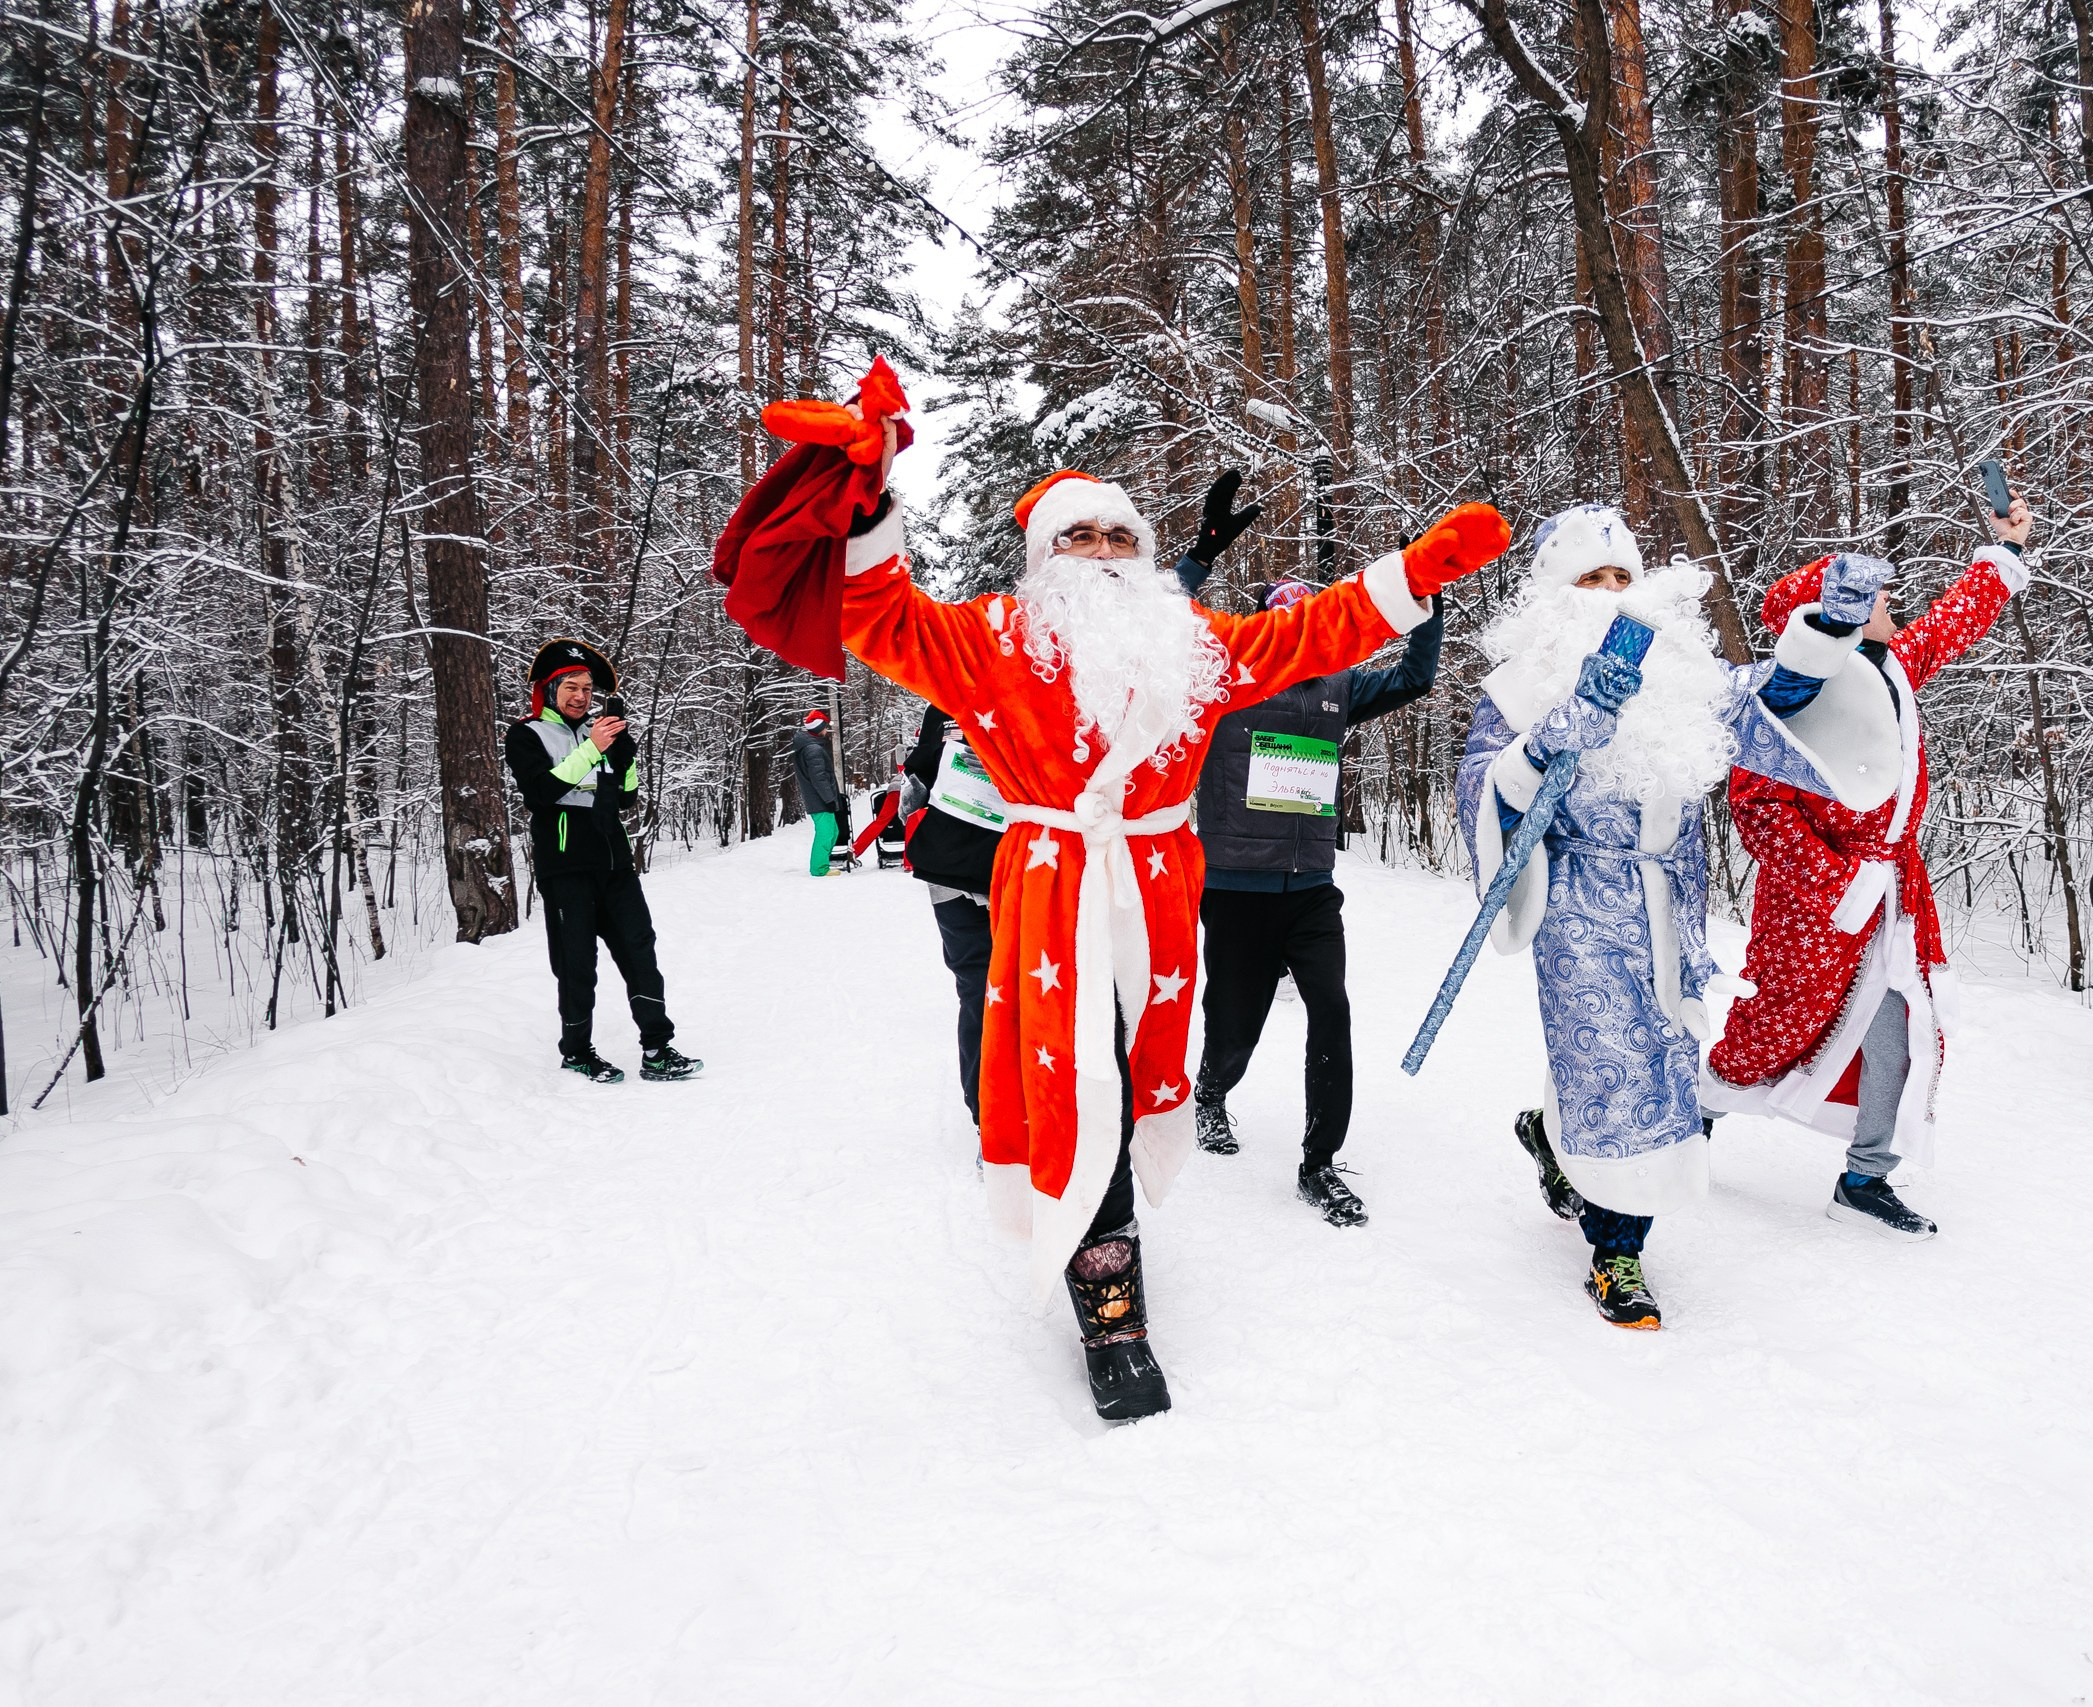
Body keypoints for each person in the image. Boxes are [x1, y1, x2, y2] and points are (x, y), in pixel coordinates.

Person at [711, 358, 1508, 1420]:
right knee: (1077, 1079)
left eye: (1119, 536)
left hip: (1160, 891)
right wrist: (864, 502)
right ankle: (1109, 1296)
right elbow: (879, 617)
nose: (1100, 552)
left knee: (1132, 1076)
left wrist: (1412, 575)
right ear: (1043, 558)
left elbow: (1309, 636)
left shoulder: (1194, 644)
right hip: (1053, 891)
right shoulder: (991, 638)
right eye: (1077, 537)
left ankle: (1113, 1199)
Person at [1458, 504, 1870, 1329]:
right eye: (1592, 578)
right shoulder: (1520, 687)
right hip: (1579, 903)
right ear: (1555, 592)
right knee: (1616, 1067)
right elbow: (1481, 790)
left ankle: (1552, 1136)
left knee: (1663, 1055)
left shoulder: (1680, 672)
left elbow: (1770, 700)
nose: (1612, 592)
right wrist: (1548, 740)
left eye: (1624, 576)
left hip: (1669, 901)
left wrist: (1826, 629)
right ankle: (1617, 1252)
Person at [1702, 501, 2036, 1240]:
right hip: (1811, 907)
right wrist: (1836, 883)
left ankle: (1866, 1178)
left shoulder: (1893, 669)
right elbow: (1756, 807)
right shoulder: (1791, 693)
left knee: (1904, 1028)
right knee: (1772, 1025)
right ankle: (1692, 1117)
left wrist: (2004, 552)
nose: (1890, 604)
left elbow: (1952, 624)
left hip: (1896, 895)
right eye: (1875, 598)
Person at [1171, 484, 1444, 1229]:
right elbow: (1161, 627)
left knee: (1332, 1011)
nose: (1295, 633)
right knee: (1236, 1023)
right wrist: (1201, 556)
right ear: (1263, 625)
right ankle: (1211, 1092)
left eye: (1307, 621)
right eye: (1282, 620)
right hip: (1235, 887)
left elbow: (1416, 677)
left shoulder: (1338, 684)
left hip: (1312, 890)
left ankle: (1319, 1163)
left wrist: (1424, 597)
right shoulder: (1222, 681)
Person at [503, 637, 704, 1084]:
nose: (581, 696)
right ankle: (577, 1052)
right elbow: (540, 793)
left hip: (614, 861)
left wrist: (623, 757)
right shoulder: (526, 734)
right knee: (576, 962)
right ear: (548, 690)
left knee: (639, 950)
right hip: (565, 865)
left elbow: (626, 798)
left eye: (587, 689)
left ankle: (657, 1049)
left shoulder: (599, 731)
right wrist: (593, 748)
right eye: (570, 687)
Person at [898, 702, 1005, 1128]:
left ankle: (1000, 1111)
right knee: (987, 986)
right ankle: (992, 1113)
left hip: (1000, 866)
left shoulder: (947, 696)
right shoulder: (945, 702)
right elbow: (919, 776)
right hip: (969, 870)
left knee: (990, 988)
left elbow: (915, 785)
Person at [789, 709, 850, 875]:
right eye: (824, 727)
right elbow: (819, 778)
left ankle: (822, 863)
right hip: (819, 799)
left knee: (833, 831)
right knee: (826, 833)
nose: (826, 730)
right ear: (818, 728)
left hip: (819, 798)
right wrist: (829, 799)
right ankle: (819, 868)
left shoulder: (810, 746)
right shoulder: (813, 749)